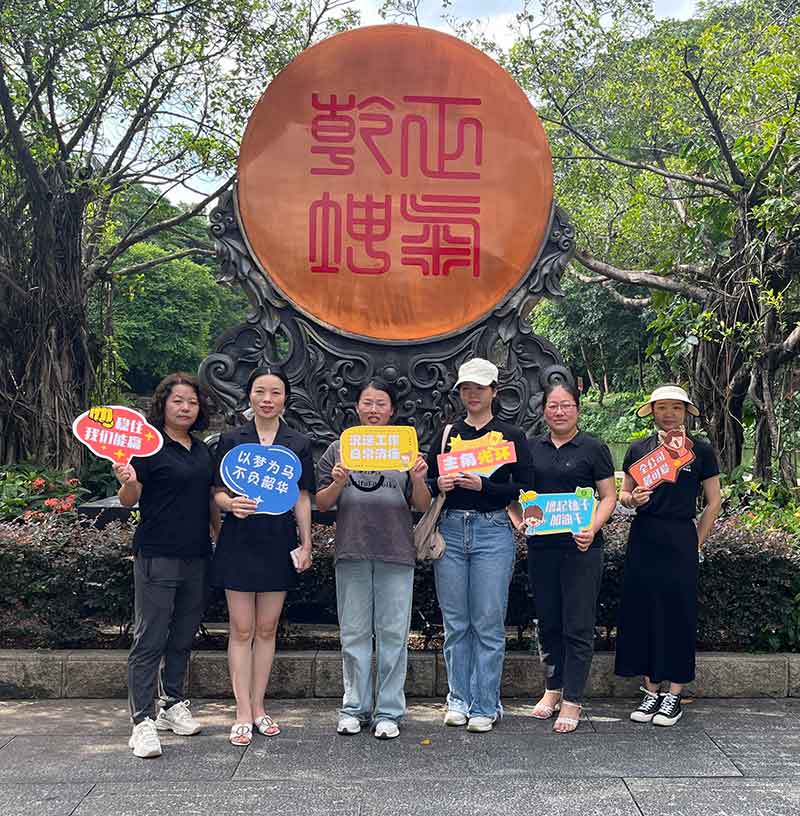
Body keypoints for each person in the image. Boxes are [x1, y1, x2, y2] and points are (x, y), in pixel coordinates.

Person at [316, 379, 431, 740]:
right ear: (357, 407)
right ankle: (354, 708)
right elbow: (322, 503)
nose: (374, 410)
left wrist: (418, 478)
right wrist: (338, 481)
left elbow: (423, 505)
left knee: (393, 634)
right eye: (367, 402)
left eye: (381, 403)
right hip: (352, 549)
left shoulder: (405, 448)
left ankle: (389, 712)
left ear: (392, 410)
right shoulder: (340, 447)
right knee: (353, 633)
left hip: (396, 551)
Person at [115, 372, 220, 759]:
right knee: (150, 638)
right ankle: (141, 721)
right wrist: (127, 479)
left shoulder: (202, 450)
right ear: (163, 404)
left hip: (197, 554)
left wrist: (220, 540)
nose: (185, 407)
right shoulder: (148, 447)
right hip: (157, 554)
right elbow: (128, 499)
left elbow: (211, 500)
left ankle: (171, 704)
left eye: (192, 401)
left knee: (182, 635)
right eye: (178, 400)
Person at [425, 357, 533, 733]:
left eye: (479, 388)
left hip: (493, 530)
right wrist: (437, 484)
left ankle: (486, 703)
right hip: (451, 530)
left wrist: (484, 486)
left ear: (494, 392)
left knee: (488, 620)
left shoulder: (511, 436)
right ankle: (458, 699)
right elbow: (428, 482)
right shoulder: (447, 433)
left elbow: (525, 487)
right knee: (456, 621)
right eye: (466, 389)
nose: (472, 395)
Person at [211, 365, 315, 746]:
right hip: (239, 540)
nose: (267, 399)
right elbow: (216, 491)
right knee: (241, 629)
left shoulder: (298, 443)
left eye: (275, 392)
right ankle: (241, 711)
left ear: (285, 398)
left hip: (278, 541)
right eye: (260, 391)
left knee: (267, 629)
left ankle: (259, 706)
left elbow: (302, 497)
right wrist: (230, 504)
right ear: (250, 396)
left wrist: (307, 543)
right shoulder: (232, 439)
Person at [616, 385, 721, 726]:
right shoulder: (639, 449)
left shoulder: (700, 450)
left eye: (676, 407)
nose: (669, 414)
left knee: (678, 614)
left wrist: (696, 541)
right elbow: (623, 494)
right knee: (643, 611)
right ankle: (650, 691)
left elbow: (714, 501)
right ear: (652, 411)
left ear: (686, 412)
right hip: (644, 535)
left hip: (680, 537)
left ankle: (674, 695)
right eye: (662, 407)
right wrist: (632, 500)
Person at [522, 381, 617, 733]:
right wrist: (520, 521)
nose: (559, 411)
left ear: (577, 408)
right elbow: (518, 494)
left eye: (566, 405)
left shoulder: (593, 447)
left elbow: (608, 496)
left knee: (578, 624)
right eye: (553, 405)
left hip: (582, 548)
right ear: (544, 410)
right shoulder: (531, 448)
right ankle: (552, 689)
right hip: (542, 548)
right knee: (549, 621)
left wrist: (592, 527)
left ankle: (573, 699)